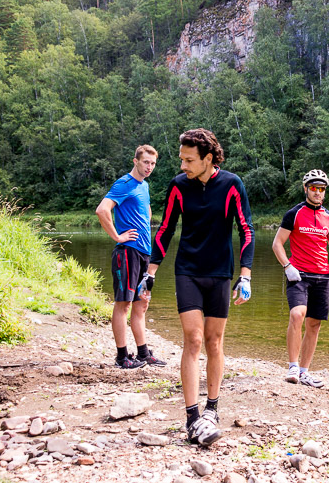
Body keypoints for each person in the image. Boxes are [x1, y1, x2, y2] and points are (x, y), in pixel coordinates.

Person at [148, 129, 255, 447]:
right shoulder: (179, 186)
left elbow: (246, 229)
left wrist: (245, 275)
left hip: (221, 273)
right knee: (193, 340)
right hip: (188, 272)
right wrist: (151, 271)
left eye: (189, 159)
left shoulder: (232, 184)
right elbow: (166, 228)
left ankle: (213, 409)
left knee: (214, 342)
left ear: (208, 158)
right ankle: (193, 417)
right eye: (182, 158)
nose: (183, 165)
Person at [272, 169, 329, 388]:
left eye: (321, 189)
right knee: (297, 315)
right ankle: (293, 366)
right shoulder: (294, 214)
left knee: (314, 324)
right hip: (298, 275)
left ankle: (305, 372)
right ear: (306, 188)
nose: (318, 192)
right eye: (314, 188)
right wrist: (287, 266)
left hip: (322, 277)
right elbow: (277, 243)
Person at [95, 145, 166, 370]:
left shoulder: (144, 186)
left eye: (153, 164)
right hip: (127, 252)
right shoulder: (124, 183)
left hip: (144, 253)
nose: (149, 167)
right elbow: (102, 210)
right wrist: (117, 235)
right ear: (135, 161)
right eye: (146, 162)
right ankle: (122, 357)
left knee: (141, 304)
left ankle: (143, 353)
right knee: (124, 304)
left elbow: (146, 211)